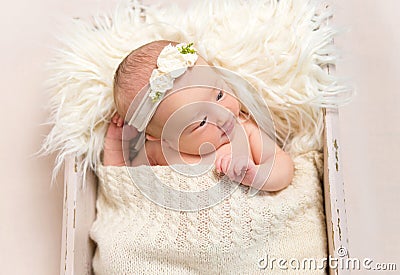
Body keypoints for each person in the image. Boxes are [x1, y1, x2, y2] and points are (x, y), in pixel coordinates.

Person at [103, 40, 294, 192]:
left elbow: (282, 164)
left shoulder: (243, 129)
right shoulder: (156, 151)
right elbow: (124, 185)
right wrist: (114, 142)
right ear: (160, 137)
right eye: (201, 122)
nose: (222, 115)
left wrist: (256, 176)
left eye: (219, 95)